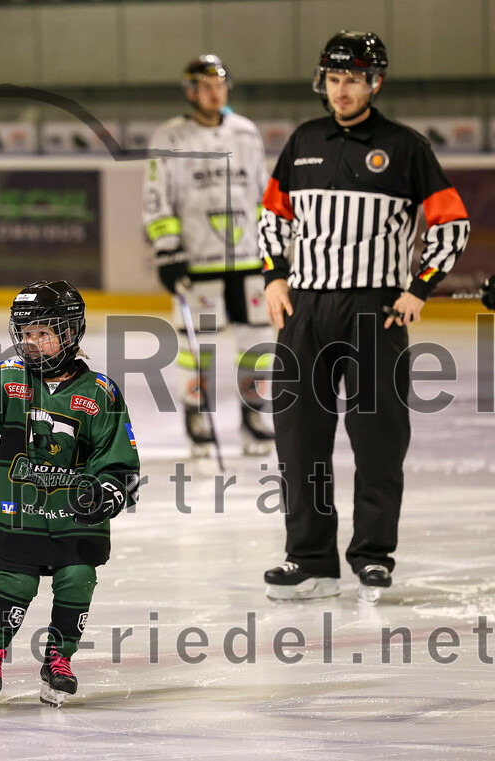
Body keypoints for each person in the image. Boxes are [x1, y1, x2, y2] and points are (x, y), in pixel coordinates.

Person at [258, 32, 470, 604]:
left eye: (353, 78)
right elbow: (272, 217)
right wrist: (275, 276)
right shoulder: (303, 140)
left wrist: (419, 287)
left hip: (376, 313)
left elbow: (451, 223)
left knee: (378, 439)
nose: (342, 89)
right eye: (333, 78)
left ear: (375, 82)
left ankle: (373, 556)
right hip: (306, 310)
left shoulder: (405, 146)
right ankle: (310, 561)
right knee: (300, 441)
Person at [0, 281, 141, 708]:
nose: (32, 344)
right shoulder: (8, 377)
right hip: (18, 510)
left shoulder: (100, 392)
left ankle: (59, 660)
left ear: (70, 333)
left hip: (75, 515)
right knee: (16, 581)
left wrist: (109, 492)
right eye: (26, 334)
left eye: (43, 333)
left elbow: (120, 462)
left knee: (77, 578)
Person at [142, 54, 274, 459]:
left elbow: (262, 194)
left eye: (221, 86)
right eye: (206, 87)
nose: (215, 94)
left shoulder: (246, 134)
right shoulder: (171, 137)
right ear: (190, 91)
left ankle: (254, 414)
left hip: (249, 260)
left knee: (257, 342)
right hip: (198, 262)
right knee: (196, 347)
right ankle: (195, 414)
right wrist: (168, 252)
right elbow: (156, 198)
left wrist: (272, 249)